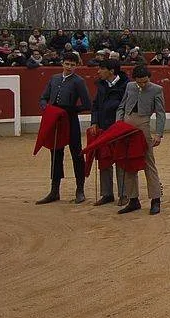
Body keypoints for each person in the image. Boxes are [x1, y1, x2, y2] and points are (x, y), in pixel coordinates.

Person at [36, 52, 92, 205]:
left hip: (70, 119)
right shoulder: (54, 79)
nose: (69, 67)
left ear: (76, 66)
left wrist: (71, 110)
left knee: (77, 153)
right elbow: (43, 97)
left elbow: (87, 104)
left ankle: (80, 190)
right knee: (55, 154)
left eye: (72, 65)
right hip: (55, 120)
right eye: (67, 64)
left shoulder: (78, 81)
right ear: (62, 63)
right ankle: (54, 191)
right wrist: (45, 108)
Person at [115, 65, 165, 215]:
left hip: (143, 125)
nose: (143, 84)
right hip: (126, 126)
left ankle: (155, 199)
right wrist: (119, 123)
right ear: (134, 79)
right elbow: (122, 106)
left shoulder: (157, 89)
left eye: (145, 81)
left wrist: (158, 134)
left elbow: (161, 113)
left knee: (149, 162)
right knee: (128, 162)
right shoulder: (130, 86)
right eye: (140, 82)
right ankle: (133, 199)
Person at [88, 59, 129, 206]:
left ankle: (124, 194)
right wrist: (94, 121)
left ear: (111, 71)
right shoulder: (102, 85)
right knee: (104, 159)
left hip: (119, 129)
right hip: (104, 128)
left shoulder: (126, 86)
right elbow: (95, 105)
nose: (98, 71)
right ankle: (107, 193)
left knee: (120, 160)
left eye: (101, 69)